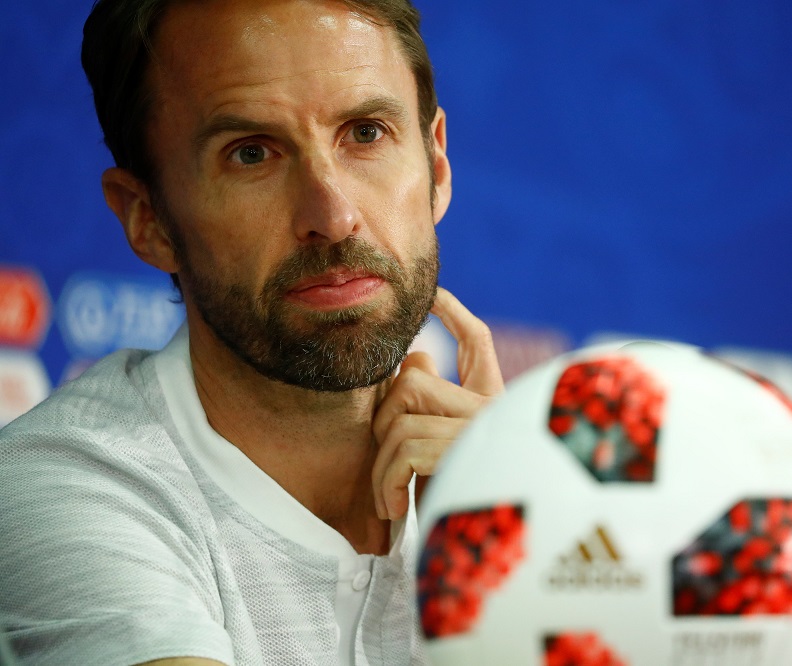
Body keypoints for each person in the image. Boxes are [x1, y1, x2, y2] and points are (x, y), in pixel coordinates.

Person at [0, 0, 504, 664]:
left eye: (366, 133)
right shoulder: (57, 484)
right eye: (251, 154)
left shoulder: (519, 489)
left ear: (436, 167)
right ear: (147, 219)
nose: (334, 214)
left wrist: (515, 542)